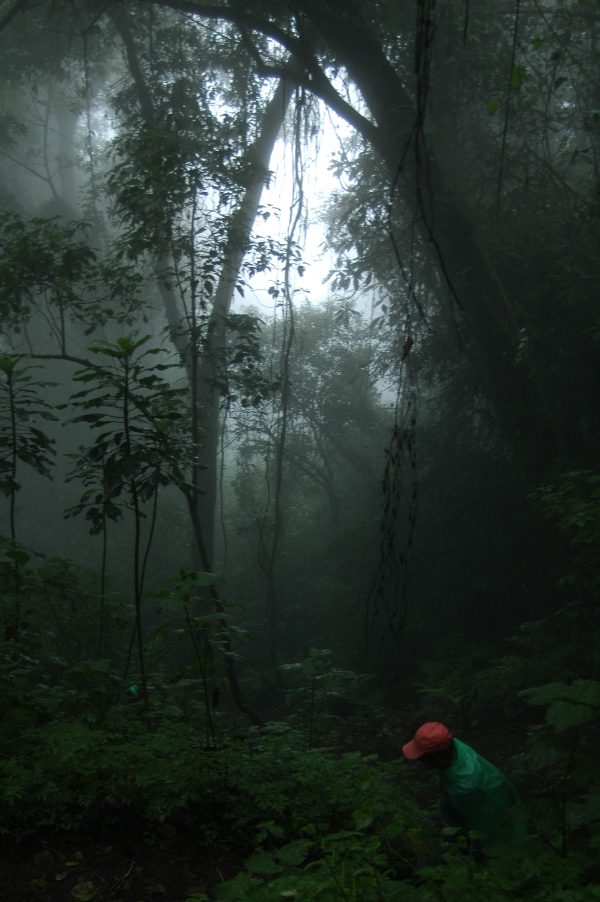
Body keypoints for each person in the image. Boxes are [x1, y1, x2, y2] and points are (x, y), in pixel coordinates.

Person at [402, 721, 526, 855]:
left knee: (494, 844)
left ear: (436, 757)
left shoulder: (464, 787)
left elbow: (474, 827)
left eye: (421, 757)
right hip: (500, 795)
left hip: (493, 815)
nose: (420, 761)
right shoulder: (454, 746)